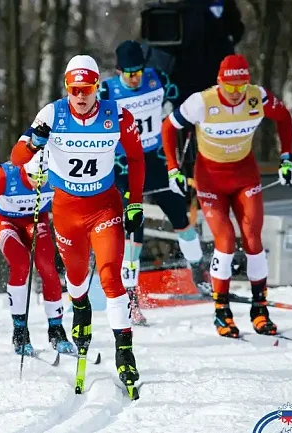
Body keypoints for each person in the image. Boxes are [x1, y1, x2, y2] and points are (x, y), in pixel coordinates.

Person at [10, 55, 145, 390]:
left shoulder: (117, 115)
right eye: (74, 89)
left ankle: (124, 350)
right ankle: (81, 309)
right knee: (76, 277)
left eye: (87, 89)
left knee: (111, 276)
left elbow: (136, 156)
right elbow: (17, 158)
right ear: (67, 88)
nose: (81, 96)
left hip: (105, 207)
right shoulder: (51, 114)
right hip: (67, 211)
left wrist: (134, 202)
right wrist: (34, 141)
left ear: (97, 87)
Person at [161, 54, 292, 338]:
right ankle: (222, 312)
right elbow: (169, 126)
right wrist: (173, 169)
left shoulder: (257, 97)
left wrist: (286, 159)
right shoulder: (202, 102)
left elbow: (284, 118)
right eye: (230, 87)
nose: (236, 93)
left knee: (253, 239)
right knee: (225, 241)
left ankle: (260, 310)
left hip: (245, 176)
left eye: (241, 86)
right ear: (219, 82)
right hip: (210, 180)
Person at [100, 40, 209, 325]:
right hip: (125, 166)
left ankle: (200, 274)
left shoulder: (157, 78)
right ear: (119, 71)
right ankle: (131, 300)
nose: (135, 78)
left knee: (181, 218)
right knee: (133, 234)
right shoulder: (107, 91)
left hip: (156, 161)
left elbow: (183, 101)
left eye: (138, 71)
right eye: (129, 73)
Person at [0, 147, 73, 355]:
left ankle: (56, 329)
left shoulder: (59, 174)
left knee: (47, 266)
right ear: (25, 169)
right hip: (3, 219)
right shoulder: (5, 176)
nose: (38, 183)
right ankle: (20, 330)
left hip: (35, 219)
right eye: (34, 177)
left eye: (44, 179)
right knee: (21, 263)